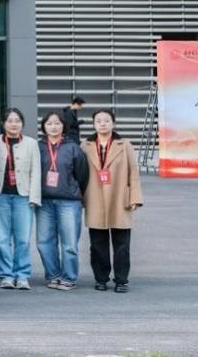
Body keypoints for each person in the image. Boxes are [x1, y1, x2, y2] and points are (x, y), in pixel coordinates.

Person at [80, 109, 143, 293]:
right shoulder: (85, 146)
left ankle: (121, 280)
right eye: (98, 120)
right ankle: (101, 279)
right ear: (94, 124)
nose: (102, 123)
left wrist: (135, 197)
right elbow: (80, 173)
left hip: (119, 197)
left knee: (122, 244)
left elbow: (133, 172)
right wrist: (80, 197)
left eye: (106, 120)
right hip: (94, 197)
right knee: (97, 244)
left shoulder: (125, 145)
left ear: (113, 123)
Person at [34, 112, 88, 292]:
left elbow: (82, 175)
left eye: (57, 123)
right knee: (44, 242)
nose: (53, 127)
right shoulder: (38, 147)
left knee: (69, 243)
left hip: (69, 202)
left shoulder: (73, 147)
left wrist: (75, 191)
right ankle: (53, 275)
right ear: (44, 127)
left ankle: (69, 277)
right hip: (44, 202)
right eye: (49, 123)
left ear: (63, 126)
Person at [0, 108, 41, 290]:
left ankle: (22, 275)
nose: (14, 124)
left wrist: (34, 197)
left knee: (23, 239)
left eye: (17, 120)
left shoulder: (31, 143)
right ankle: (6, 275)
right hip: (0, 196)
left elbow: (36, 171)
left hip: (23, 197)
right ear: (3, 123)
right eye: (10, 120)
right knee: (2, 238)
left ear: (22, 123)